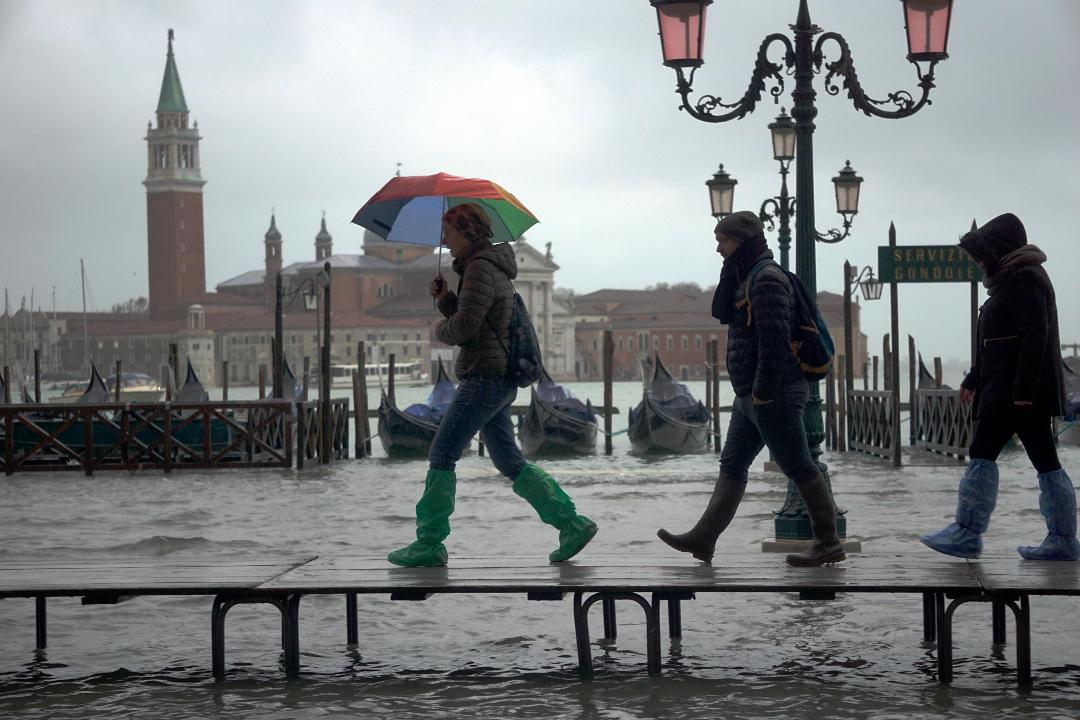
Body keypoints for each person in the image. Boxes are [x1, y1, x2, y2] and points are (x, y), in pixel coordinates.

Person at [387, 203, 598, 567]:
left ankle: (429, 544)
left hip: (485, 378)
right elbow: (479, 320)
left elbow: (466, 328)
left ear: (467, 232)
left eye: (448, 233)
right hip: (496, 378)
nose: (444, 240)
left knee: (441, 454)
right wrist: (445, 300)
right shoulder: (486, 268)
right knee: (509, 459)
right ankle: (572, 524)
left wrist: (439, 329)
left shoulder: (480, 269)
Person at [657, 211, 845, 567]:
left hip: (773, 393)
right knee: (732, 465)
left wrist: (762, 391)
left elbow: (774, 341)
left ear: (741, 243)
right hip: (750, 396)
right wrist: (751, 394)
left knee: (800, 465)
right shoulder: (745, 278)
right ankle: (704, 537)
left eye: (723, 241)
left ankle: (828, 541)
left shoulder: (767, 281)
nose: (717, 248)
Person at [921, 213, 1078, 561]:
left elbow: (1034, 337)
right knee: (1045, 461)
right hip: (1011, 390)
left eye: (981, 254)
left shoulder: (1024, 279)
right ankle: (1062, 539)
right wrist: (973, 378)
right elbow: (997, 341)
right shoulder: (1016, 278)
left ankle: (967, 533)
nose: (978, 262)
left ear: (999, 250)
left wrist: (1021, 392)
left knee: (983, 452)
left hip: (1014, 394)